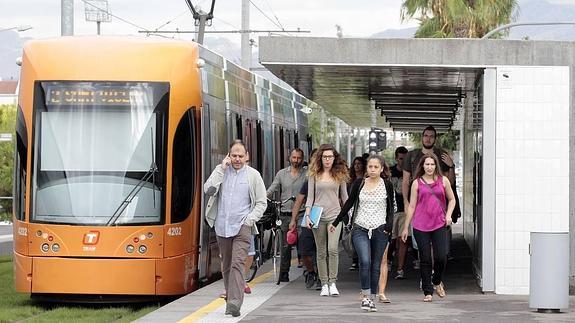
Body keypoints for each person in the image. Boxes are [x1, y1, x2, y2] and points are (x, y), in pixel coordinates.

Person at [204, 140, 267, 317]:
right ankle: (230, 297)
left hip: (242, 226)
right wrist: (220, 169)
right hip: (222, 226)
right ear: (228, 156)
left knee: (238, 264)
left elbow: (262, 202)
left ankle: (234, 303)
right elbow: (208, 190)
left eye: (241, 156)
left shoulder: (253, 175)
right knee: (226, 265)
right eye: (234, 156)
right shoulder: (221, 172)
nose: (237, 159)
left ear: (247, 156)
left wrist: (249, 220)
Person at [331, 155, 394, 312]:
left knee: (375, 264)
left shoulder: (387, 185)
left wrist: (389, 227)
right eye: (370, 167)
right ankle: (365, 296)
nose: (372, 170)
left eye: (376, 167)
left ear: (381, 169)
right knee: (364, 261)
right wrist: (336, 222)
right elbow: (349, 203)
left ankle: (372, 297)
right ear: (367, 168)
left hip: (380, 229)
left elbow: (391, 208)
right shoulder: (359, 183)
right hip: (360, 228)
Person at [401, 153, 456, 302]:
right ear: (422, 166)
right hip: (420, 225)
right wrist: (406, 227)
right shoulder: (416, 183)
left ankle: (437, 281)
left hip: (439, 223)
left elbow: (452, 200)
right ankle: (428, 291)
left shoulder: (443, 180)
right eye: (427, 164)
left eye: (432, 164)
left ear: (436, 165)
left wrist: (449, 216)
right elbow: (412, 206)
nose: (430, 167)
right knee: (424, 259)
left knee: (441, 257)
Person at [304, 144, 349, 297]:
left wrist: (347, 214)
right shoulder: (314, 174)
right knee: (321, 251)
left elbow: (345, 197)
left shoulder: (340, 174)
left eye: (330, 156)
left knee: (333, 249)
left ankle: (333, 282)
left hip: (335, 216)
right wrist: (308, 216)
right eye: (324, 157)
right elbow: (310, 197)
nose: (327, 159)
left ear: (334, 158)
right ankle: (324, 283)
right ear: (320, 158)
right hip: (318, 216)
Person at [267, 148, 307, 282]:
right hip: (285, 213)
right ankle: (284, 272)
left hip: (301, 213)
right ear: (289, 158)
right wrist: (264, 197)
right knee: (286, 246)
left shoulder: (306, 174)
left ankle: (308, 270)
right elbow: (273, 188)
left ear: (302, 159)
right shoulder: (281, 174)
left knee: (303, 241)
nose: (296, 161)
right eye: (294, 158)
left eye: (299, 158)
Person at [290, 149, 321, 290]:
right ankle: (311, 272)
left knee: (323, 250)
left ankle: (322, 277)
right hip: (310, 215)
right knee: (305, 250)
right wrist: (293, 219)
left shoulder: (332, 179)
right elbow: (298, 201)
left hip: (326, 217)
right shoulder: (309, 181)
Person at [389, 146, 409, 280]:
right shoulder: (390, 172)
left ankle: (400, 269)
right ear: (396, 159)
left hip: (404, 210)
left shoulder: (411, 172)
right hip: (391, 211)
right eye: (401, 158)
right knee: (390, 240)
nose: (403, 161)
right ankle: (388, 260)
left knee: (402, 240)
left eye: (405, 158)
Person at [347, 156, 366, 271]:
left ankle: (361, 258)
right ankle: (355, 259)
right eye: (355, 164)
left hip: (363, 209)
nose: (357, 166)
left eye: (359, 164)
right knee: (353, 234)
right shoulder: (350, 179)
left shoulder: (366, 178)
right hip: (351, 208)